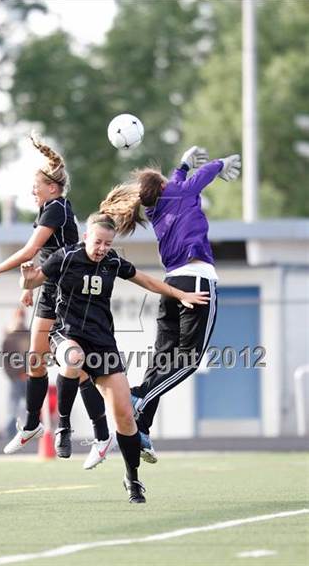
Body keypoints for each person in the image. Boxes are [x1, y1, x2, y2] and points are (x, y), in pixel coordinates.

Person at [19, 212, 210, 503]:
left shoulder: (112, 262)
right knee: (72, 358)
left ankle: (133, 479)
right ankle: (64, 427)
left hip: (102, 344)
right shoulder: (65, 257)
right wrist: (26, 277)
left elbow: (145, 280)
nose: (102, 248)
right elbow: (33, 282)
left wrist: (177, 293)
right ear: (86, 238)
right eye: (98, 242)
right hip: (66, 334)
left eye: (108, 243)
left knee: (124, 415)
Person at [0, 135, 116, 469]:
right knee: (38, 361)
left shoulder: (56, 208)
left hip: (63, 291)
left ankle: (94, 431)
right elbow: (41, 258)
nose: (33, 190)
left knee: (75, 366)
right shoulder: (49, 208)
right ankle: (34, 424)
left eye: (37, 185)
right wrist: (28, 286)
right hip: (48, 286)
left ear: (53, 188)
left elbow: (29, 251)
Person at [100, 146, 241, 462]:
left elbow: (175, 183)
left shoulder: (154, 208)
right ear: (162, 185)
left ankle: (142, 429)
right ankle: (138, 396)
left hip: (171, 286)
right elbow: (202, 176)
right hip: (197, 282)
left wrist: (181, 165)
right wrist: (221, 162)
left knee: (163, 360)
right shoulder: (176, 192)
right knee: (189, 360)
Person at [2, 307, 31, 438]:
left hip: (29, 376)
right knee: (13, 407)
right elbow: (5, 360)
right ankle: (10, 433)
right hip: (16, 378)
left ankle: (29, 430)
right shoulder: (9, 337)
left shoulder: (28, 334)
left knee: (29, 406)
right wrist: (13, 375)